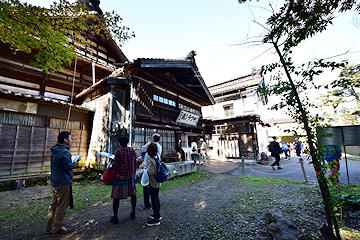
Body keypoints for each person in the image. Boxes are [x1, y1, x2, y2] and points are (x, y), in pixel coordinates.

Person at [46, 131, 78, 235]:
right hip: (63, 182)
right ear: (65, 140)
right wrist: (74, 162)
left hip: (55, 181)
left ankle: (49, 227)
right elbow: (68, 167)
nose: (71, 140)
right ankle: (57, 228)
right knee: (62, 206)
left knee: (54, 205)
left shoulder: (55, 150)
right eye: (70, 138)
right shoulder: (64, 152)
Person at [110, 136, 137, 224]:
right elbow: (134, 162)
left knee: (116, 197)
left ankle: (115, 217)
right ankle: (133, 213)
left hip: (120, 177)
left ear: (119, 143)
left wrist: (112, 161)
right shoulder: (132, 150)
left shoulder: (118, 151)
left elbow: (116, 164)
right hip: (131, 176)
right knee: (133, 195)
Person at [140, 143, 162, 226]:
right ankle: (158, 215)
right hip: (158, 181)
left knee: (153, 199)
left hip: (153, 182)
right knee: (156, 198)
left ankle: (156, 219)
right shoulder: (157, 156)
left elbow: (151, 171)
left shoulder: (150, 159)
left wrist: (144, 168)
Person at [139, 133, 162, 210]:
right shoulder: (159, 147)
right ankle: (156, 210)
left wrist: (144, 167)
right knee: (155, 194)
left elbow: (143, 148)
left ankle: (148, 206)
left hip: (149, 171)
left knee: (146, 190)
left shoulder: (151, 146)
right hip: (156, 172)